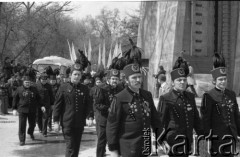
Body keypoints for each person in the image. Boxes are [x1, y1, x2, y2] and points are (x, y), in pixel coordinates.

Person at [106, 62, 162, 157]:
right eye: (134, 77)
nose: (138, 80)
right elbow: (112, 125)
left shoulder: (147, 95)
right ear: (127, 80)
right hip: (128, 147)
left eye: (139, 77)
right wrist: (113, 149)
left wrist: (162, 138)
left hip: (145, 146)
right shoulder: (119, 98)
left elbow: (155, 120)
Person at [157, 57, 203, 157]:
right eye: (179, 80)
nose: (182, 82)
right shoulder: (165, 98)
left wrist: (203, 134)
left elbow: (196, 119)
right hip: (173, 142)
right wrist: (162, 141)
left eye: (184, 80)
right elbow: (159, 123)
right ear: (173, 82)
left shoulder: (190, 97)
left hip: (187, 141)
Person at [200, 53, 240, 157]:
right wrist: (207, 138)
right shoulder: (208, 96)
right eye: (220, 80)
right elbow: (206, 119)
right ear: (214, 81)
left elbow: (236, 115)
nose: (223, 82)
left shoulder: (231, 94)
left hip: (231, 136)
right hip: (217, 138)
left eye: (224, 79)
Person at [53, 58, 94, 157]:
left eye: (79, 74)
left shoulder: (85, 89)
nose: (77, 76)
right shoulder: (63, 87)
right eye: (75, 74)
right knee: (70, 147)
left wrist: (90, 117)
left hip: (79, 123)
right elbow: (57, 105)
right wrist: (56, 122)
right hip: (67, 123)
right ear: (70, 75)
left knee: (76, 147)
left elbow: (88, 104)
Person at [95, 64, 123, 157]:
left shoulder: (121, 89)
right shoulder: (102, 88)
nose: (115, 81)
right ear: (108, 79)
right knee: (102, 141)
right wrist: (108, 108)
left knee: (116, 140)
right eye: (113, 79)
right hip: (104, 119)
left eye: (116, 79)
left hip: (116, 120)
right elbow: (97, 104)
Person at [12, 72, 45, 146]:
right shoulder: (19, 89)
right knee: (22, 125)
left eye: (29, 82)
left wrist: (42, 105)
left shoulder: (34, 89)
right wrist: (14, 108)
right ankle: (22, 140)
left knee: (32, 124)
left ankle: (30, 132)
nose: (27, 84)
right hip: (22, 110)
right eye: (26, 82)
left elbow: (38, 98)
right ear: (23, 82)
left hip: (32, 110)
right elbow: (15, 99)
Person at [36, 72, 53, 137]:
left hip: (46, 104)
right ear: (40, 79)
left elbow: (51, 95)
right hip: (38, 104)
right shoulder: (36, 85)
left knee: (45, 117)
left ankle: (44, 132)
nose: (44, 81)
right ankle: (40, 128)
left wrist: (52, 104)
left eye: (45, 80)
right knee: (38, 117)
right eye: (43, 80)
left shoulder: (49, 86)